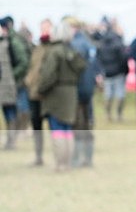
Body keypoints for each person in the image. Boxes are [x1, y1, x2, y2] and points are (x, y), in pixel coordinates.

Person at [37, 19, 87, 171]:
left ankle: (60, 164)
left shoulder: (55, 51)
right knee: (67, 129)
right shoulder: (71, 51)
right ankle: (67, 163)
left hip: (56, 94)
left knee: (57, 128)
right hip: (71, 93)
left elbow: (48, 75)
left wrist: (41, 88)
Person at [66, 16, 100, 167]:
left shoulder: (75, 45)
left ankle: (76, 159)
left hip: (78, 91)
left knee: (78, 126)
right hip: (88, 90)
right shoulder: (88, 43)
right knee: (86, 124)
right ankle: (87, 159)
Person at [23, 18, 52, 166]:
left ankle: (60, 156)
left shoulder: (53, 48)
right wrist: (28, 80)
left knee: (54, 126)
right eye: (42, 28)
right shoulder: (37, 47)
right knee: (36, 126)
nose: (44, 30)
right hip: (34, 93)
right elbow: (32, 68)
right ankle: (38, 155)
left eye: (47, 28)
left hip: (49, 94)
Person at [0, 15, 31, 149]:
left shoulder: (13, 42)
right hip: (5, 84)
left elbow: (23, 62)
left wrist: (12, 76)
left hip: (11, 85)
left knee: (12, 110)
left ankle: (12, 140)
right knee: (8, 111)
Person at [95, 17, 129, 122]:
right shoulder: (118, 42)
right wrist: (125, 70)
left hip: (107, 73)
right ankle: (119, 115)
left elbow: (98, 59)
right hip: (118, 72)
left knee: (108, 95)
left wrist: (100, 72)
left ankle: (108, 115)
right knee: (120, 94)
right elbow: (124, 58)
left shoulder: (101, 43)